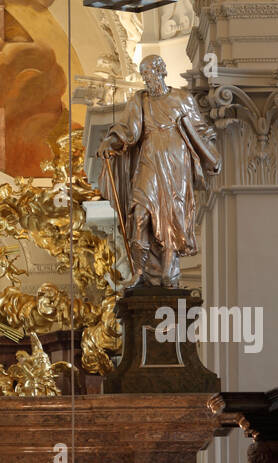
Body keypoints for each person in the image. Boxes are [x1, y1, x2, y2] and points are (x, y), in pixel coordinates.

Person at [97, 54, 221, 288]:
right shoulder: (140, 100)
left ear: (161, 71)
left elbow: (200, 130)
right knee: (140, 213)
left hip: (176, 163)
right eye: (143, 75)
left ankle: (168, 273)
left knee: (171, 215)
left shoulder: (182, 98)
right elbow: (126, 129)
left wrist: (212, 154)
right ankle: (139, 271)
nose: (147, 79)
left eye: (150, 73)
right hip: (150, 159)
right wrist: (110, 142)